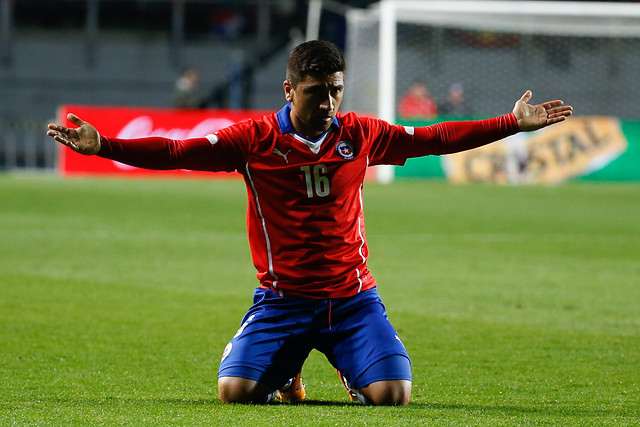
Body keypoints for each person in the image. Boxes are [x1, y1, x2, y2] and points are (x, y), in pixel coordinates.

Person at [47, 40, 572, 406]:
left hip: (352, 299)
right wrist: (106, 146)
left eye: (335, 90)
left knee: (393, 396)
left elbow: (433, 139)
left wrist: (509, 124)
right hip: (282, 300)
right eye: (315, 91)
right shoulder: (253, 141)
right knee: (235, 394)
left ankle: (347, 365)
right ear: (288, 89)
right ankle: (287, 368)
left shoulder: (361, 134)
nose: (327, 102)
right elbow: (176, 149)